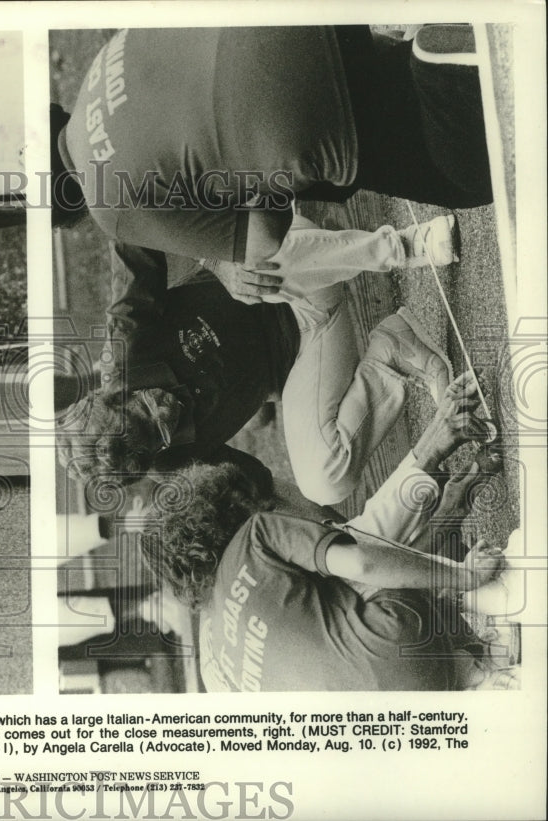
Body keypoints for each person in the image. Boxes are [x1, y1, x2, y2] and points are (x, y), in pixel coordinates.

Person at [50, 25, 490, 296]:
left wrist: (252, 183)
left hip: (309, 122)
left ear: (64, 212)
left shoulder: (109, 210)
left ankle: (445, 75)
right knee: (394, 87)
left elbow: (262, 241)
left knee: (468, 179)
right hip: (318, 28)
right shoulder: (100, 62)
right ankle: (434, 61)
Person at [139, 372, 511, 691]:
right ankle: (448, 485)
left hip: (392, 733)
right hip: (404, 647)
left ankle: (474, 660)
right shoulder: (250, 538)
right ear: (223, 517)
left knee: (324, 621)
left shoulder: (212, 672)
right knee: (348, 568)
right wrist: (462, 573)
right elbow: (364, 560)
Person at [57, 240, 490, 506]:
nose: (167, 413)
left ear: (115, 390)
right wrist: (329, 541)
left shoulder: (128, 340)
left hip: (284, 277)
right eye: (161, 435)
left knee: (263, 250)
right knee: (325, 481)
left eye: (147, 407)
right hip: (313, 343)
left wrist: (216, 255)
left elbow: (131, 222)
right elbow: (260, 487)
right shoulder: (170, 464)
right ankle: (393, 349)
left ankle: (404, 244)